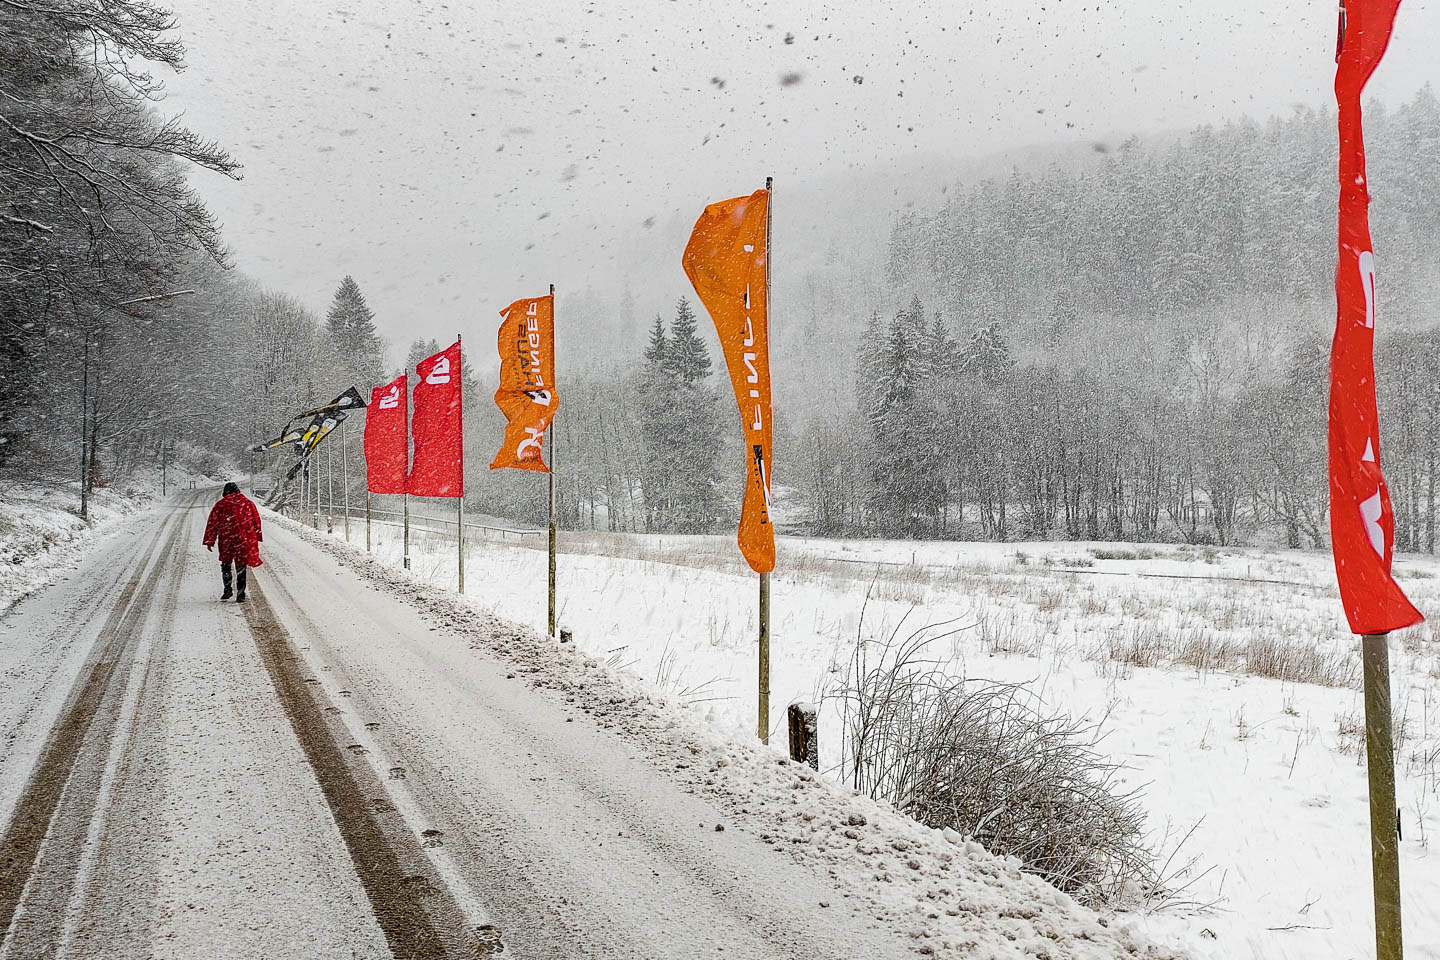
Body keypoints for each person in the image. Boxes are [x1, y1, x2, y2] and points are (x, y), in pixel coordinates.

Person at [202, 482, 263, 601]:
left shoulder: (221, 505)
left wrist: (210, 540)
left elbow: (212, 523)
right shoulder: (248, 503)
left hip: (227, 539)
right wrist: (256, 536)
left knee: (226, 564)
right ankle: (241, 593)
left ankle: (227, 589)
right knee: (241, 566)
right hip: (243, 539)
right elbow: (256, 520)